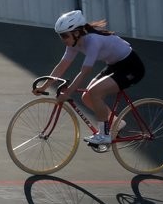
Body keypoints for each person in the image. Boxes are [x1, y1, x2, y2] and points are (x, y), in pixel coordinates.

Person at [35, 10, 145, 145]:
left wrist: (68, 93)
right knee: (87, 96)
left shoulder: (93, 40)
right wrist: (44, 86)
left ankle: (104, 135)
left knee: (95, 92)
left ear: (76, 33)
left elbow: (84, 72)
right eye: (60, 36)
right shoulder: (73, 43)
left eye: (64, 36)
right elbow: (62, 66)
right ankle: (117, 122)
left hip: (131, 67)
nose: (62, 39)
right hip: (114, 65)